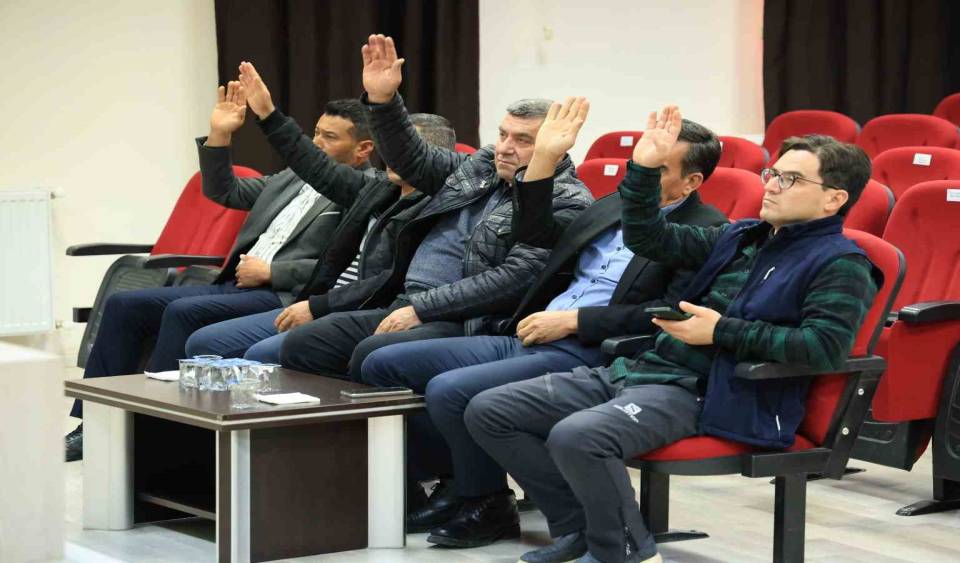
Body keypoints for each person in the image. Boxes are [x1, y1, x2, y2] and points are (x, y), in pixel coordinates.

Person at [465, 105, 880, 563]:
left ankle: (627, 552)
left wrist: (720, 331)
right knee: (490, 410)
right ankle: (579, 528)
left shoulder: (842, 264)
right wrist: (645, 169)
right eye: (772, 174)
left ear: (833, 200)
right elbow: (649, 238)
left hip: (713, 390)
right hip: (646, 369)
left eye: (791, 180)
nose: (771, 186)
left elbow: (823, 348)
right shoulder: (743, 236)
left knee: (579, 436)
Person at [359, 111, 728, 548]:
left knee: (450, 390)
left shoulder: (706, 230)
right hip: (531, 329)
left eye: (657, 167)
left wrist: (576, 320)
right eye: (638, 162)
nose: (641, 173)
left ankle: (489, 501)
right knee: (383, 361)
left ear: (690, 182)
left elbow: (670, 313)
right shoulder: (613, 203)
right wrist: (543, 163)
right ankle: (459, 481)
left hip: (592, 346)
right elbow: (534, 233)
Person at [64, 83, 374, 462]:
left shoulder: (362, 192)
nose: (316, 143)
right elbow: (225, 192)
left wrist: (274, 271)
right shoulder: (293, 177)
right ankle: (93, 425)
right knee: (124, 304)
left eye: (329, 137)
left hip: (281, 294)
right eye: (316, 133)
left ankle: (153, 432)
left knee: (182, 312)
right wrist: (220, 135)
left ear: (363, 149)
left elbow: (347, 267)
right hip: (234, 284)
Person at [276, 34, 593, 379]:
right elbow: (412, 159)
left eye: (523, 140)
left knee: (374, 353)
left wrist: (422, 309)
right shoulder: (482, 166)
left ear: (554, 146)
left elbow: (514, 279)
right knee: (305, 343)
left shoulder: (568, 199)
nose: (504, 147)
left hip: (468, 319)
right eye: (503, 134)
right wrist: (383, 101)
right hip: (407, 299)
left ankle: (380, 410)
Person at [185, 62, 457, 363]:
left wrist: (316, 305)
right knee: (203, 337)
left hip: (355, 309)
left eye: (403, 150)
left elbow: (387, 281)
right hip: (321, 300)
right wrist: (267, 115)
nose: (391, 157)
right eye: (391, 147)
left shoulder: (437, 207)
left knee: (249, 349)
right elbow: (312, 163)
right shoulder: (378, 189)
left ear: (434, 159)